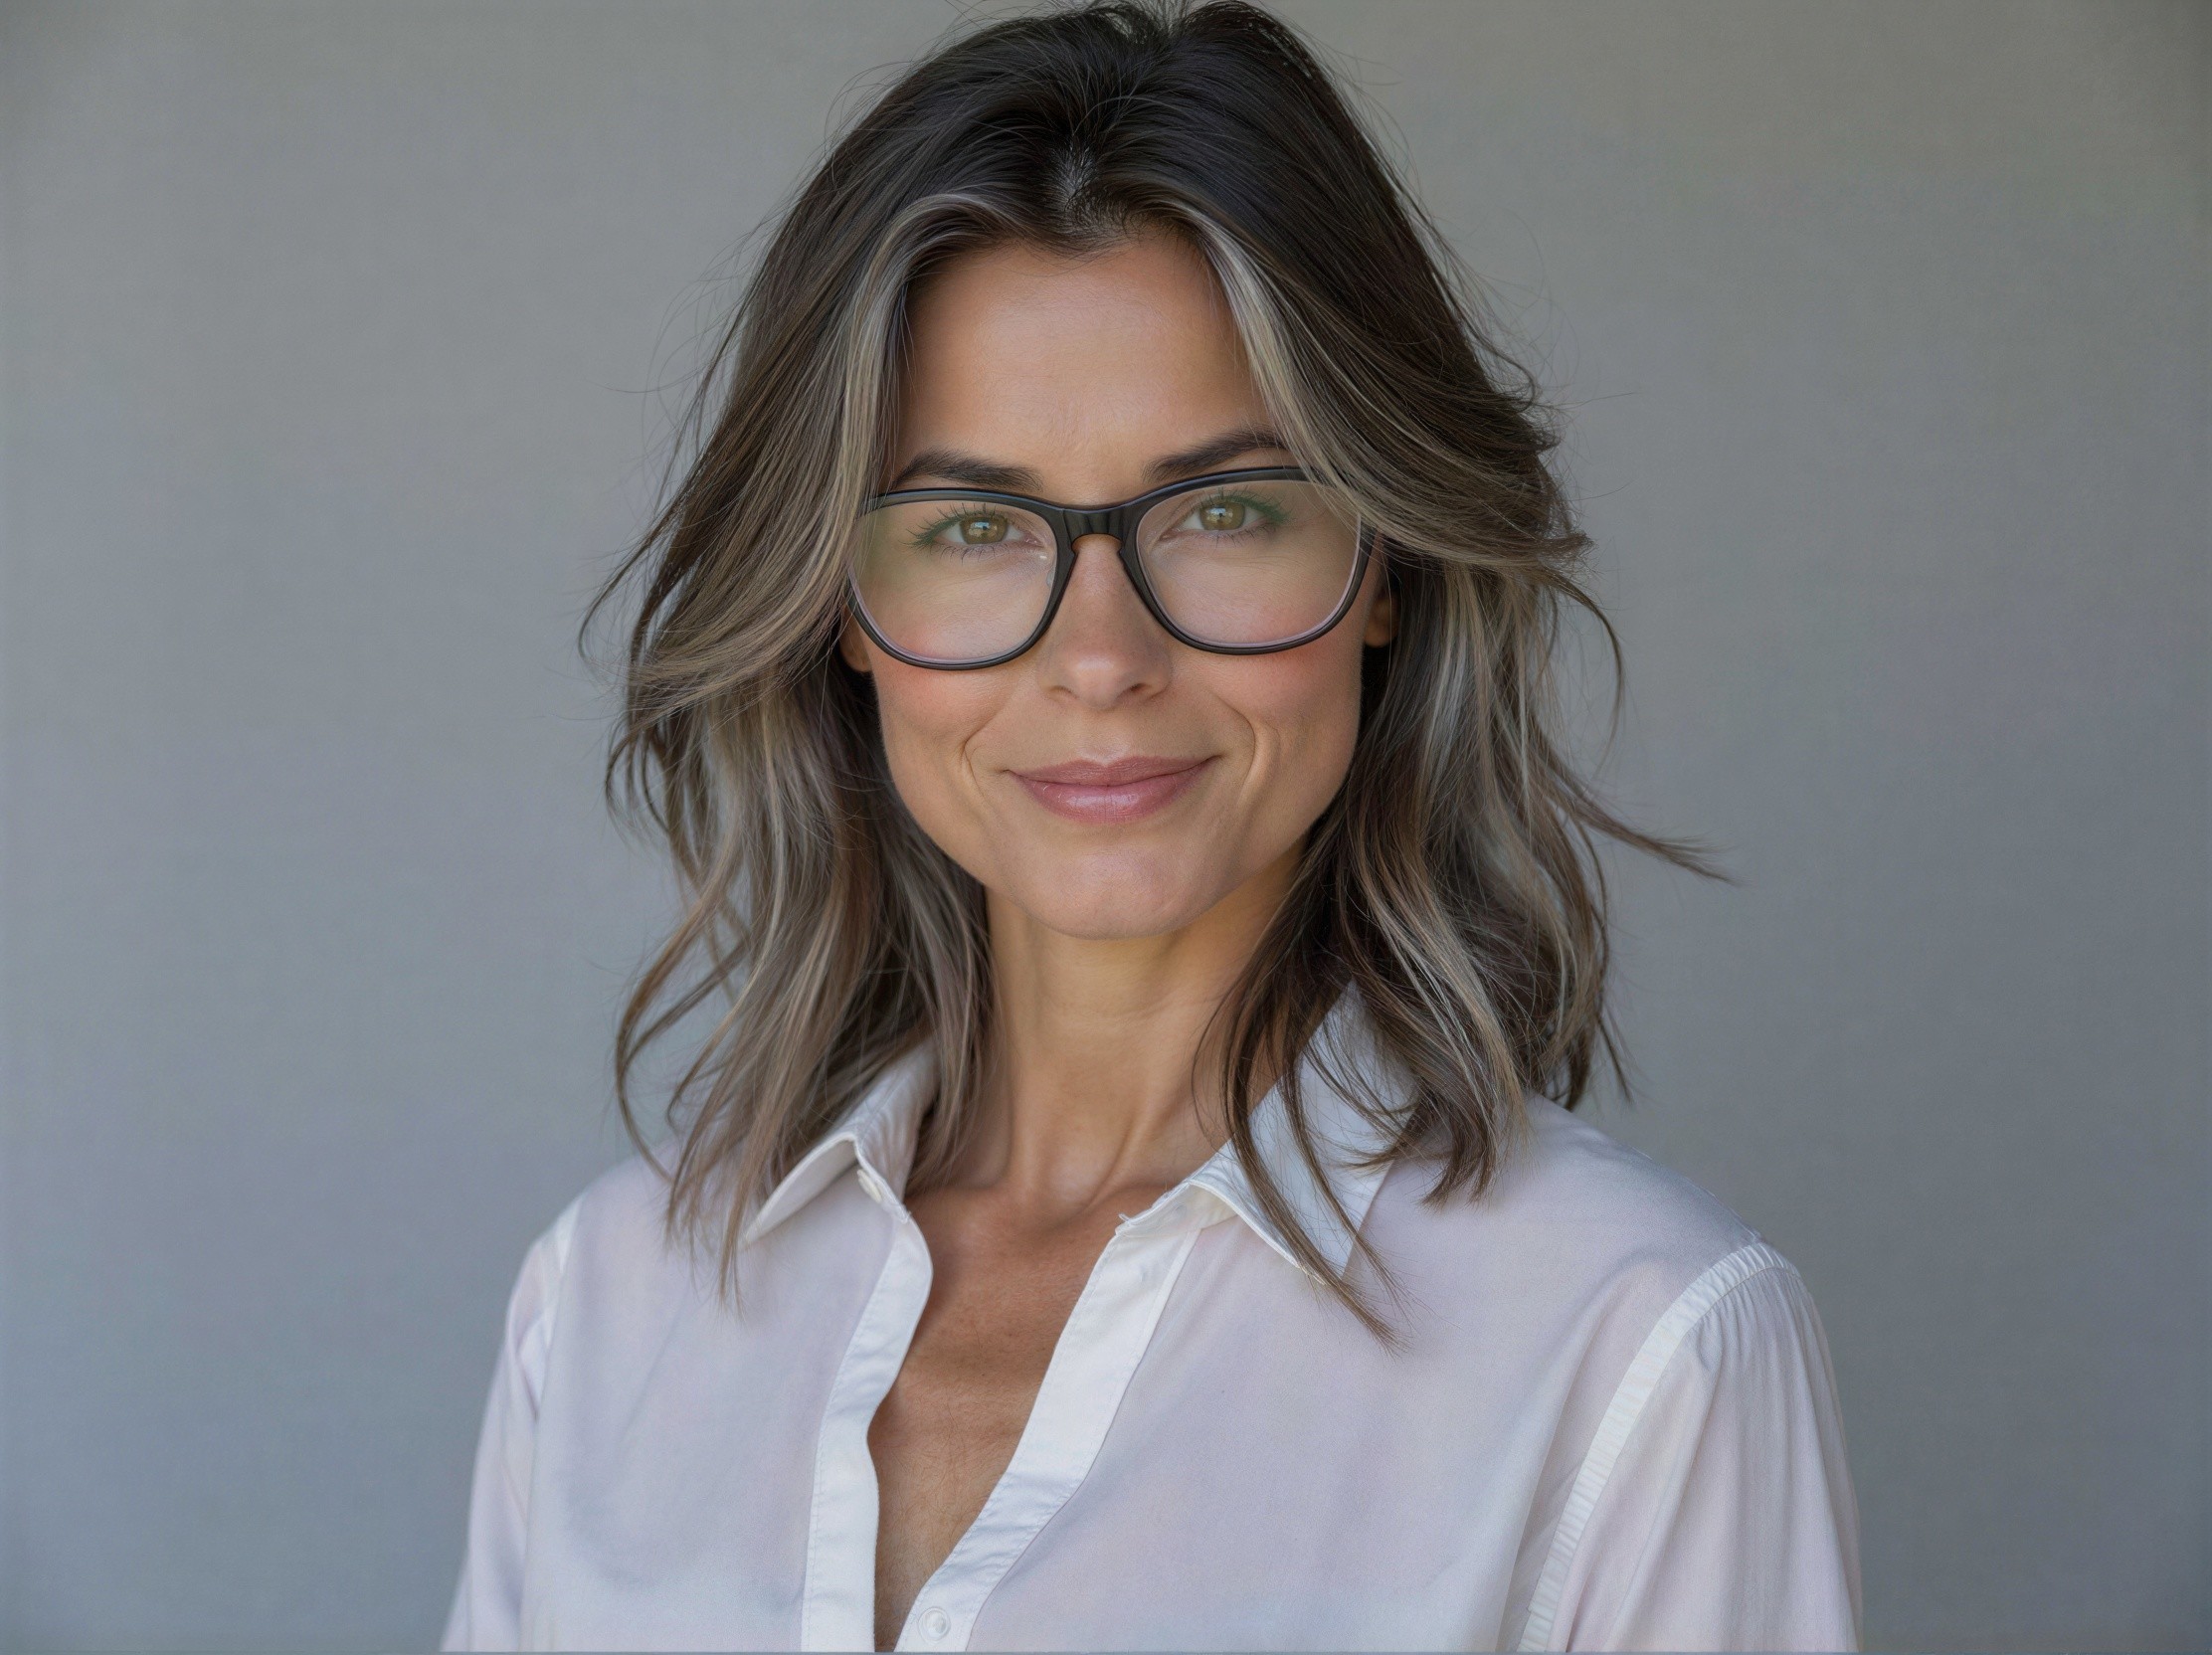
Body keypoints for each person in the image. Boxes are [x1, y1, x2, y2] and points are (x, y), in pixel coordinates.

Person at [440, 2, 1863, 1649]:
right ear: (836, 604)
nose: (1101, 658)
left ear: (1385, 564)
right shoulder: (615, 1302)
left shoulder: (1640, 1345)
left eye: (1229, 510)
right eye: (972, 523)